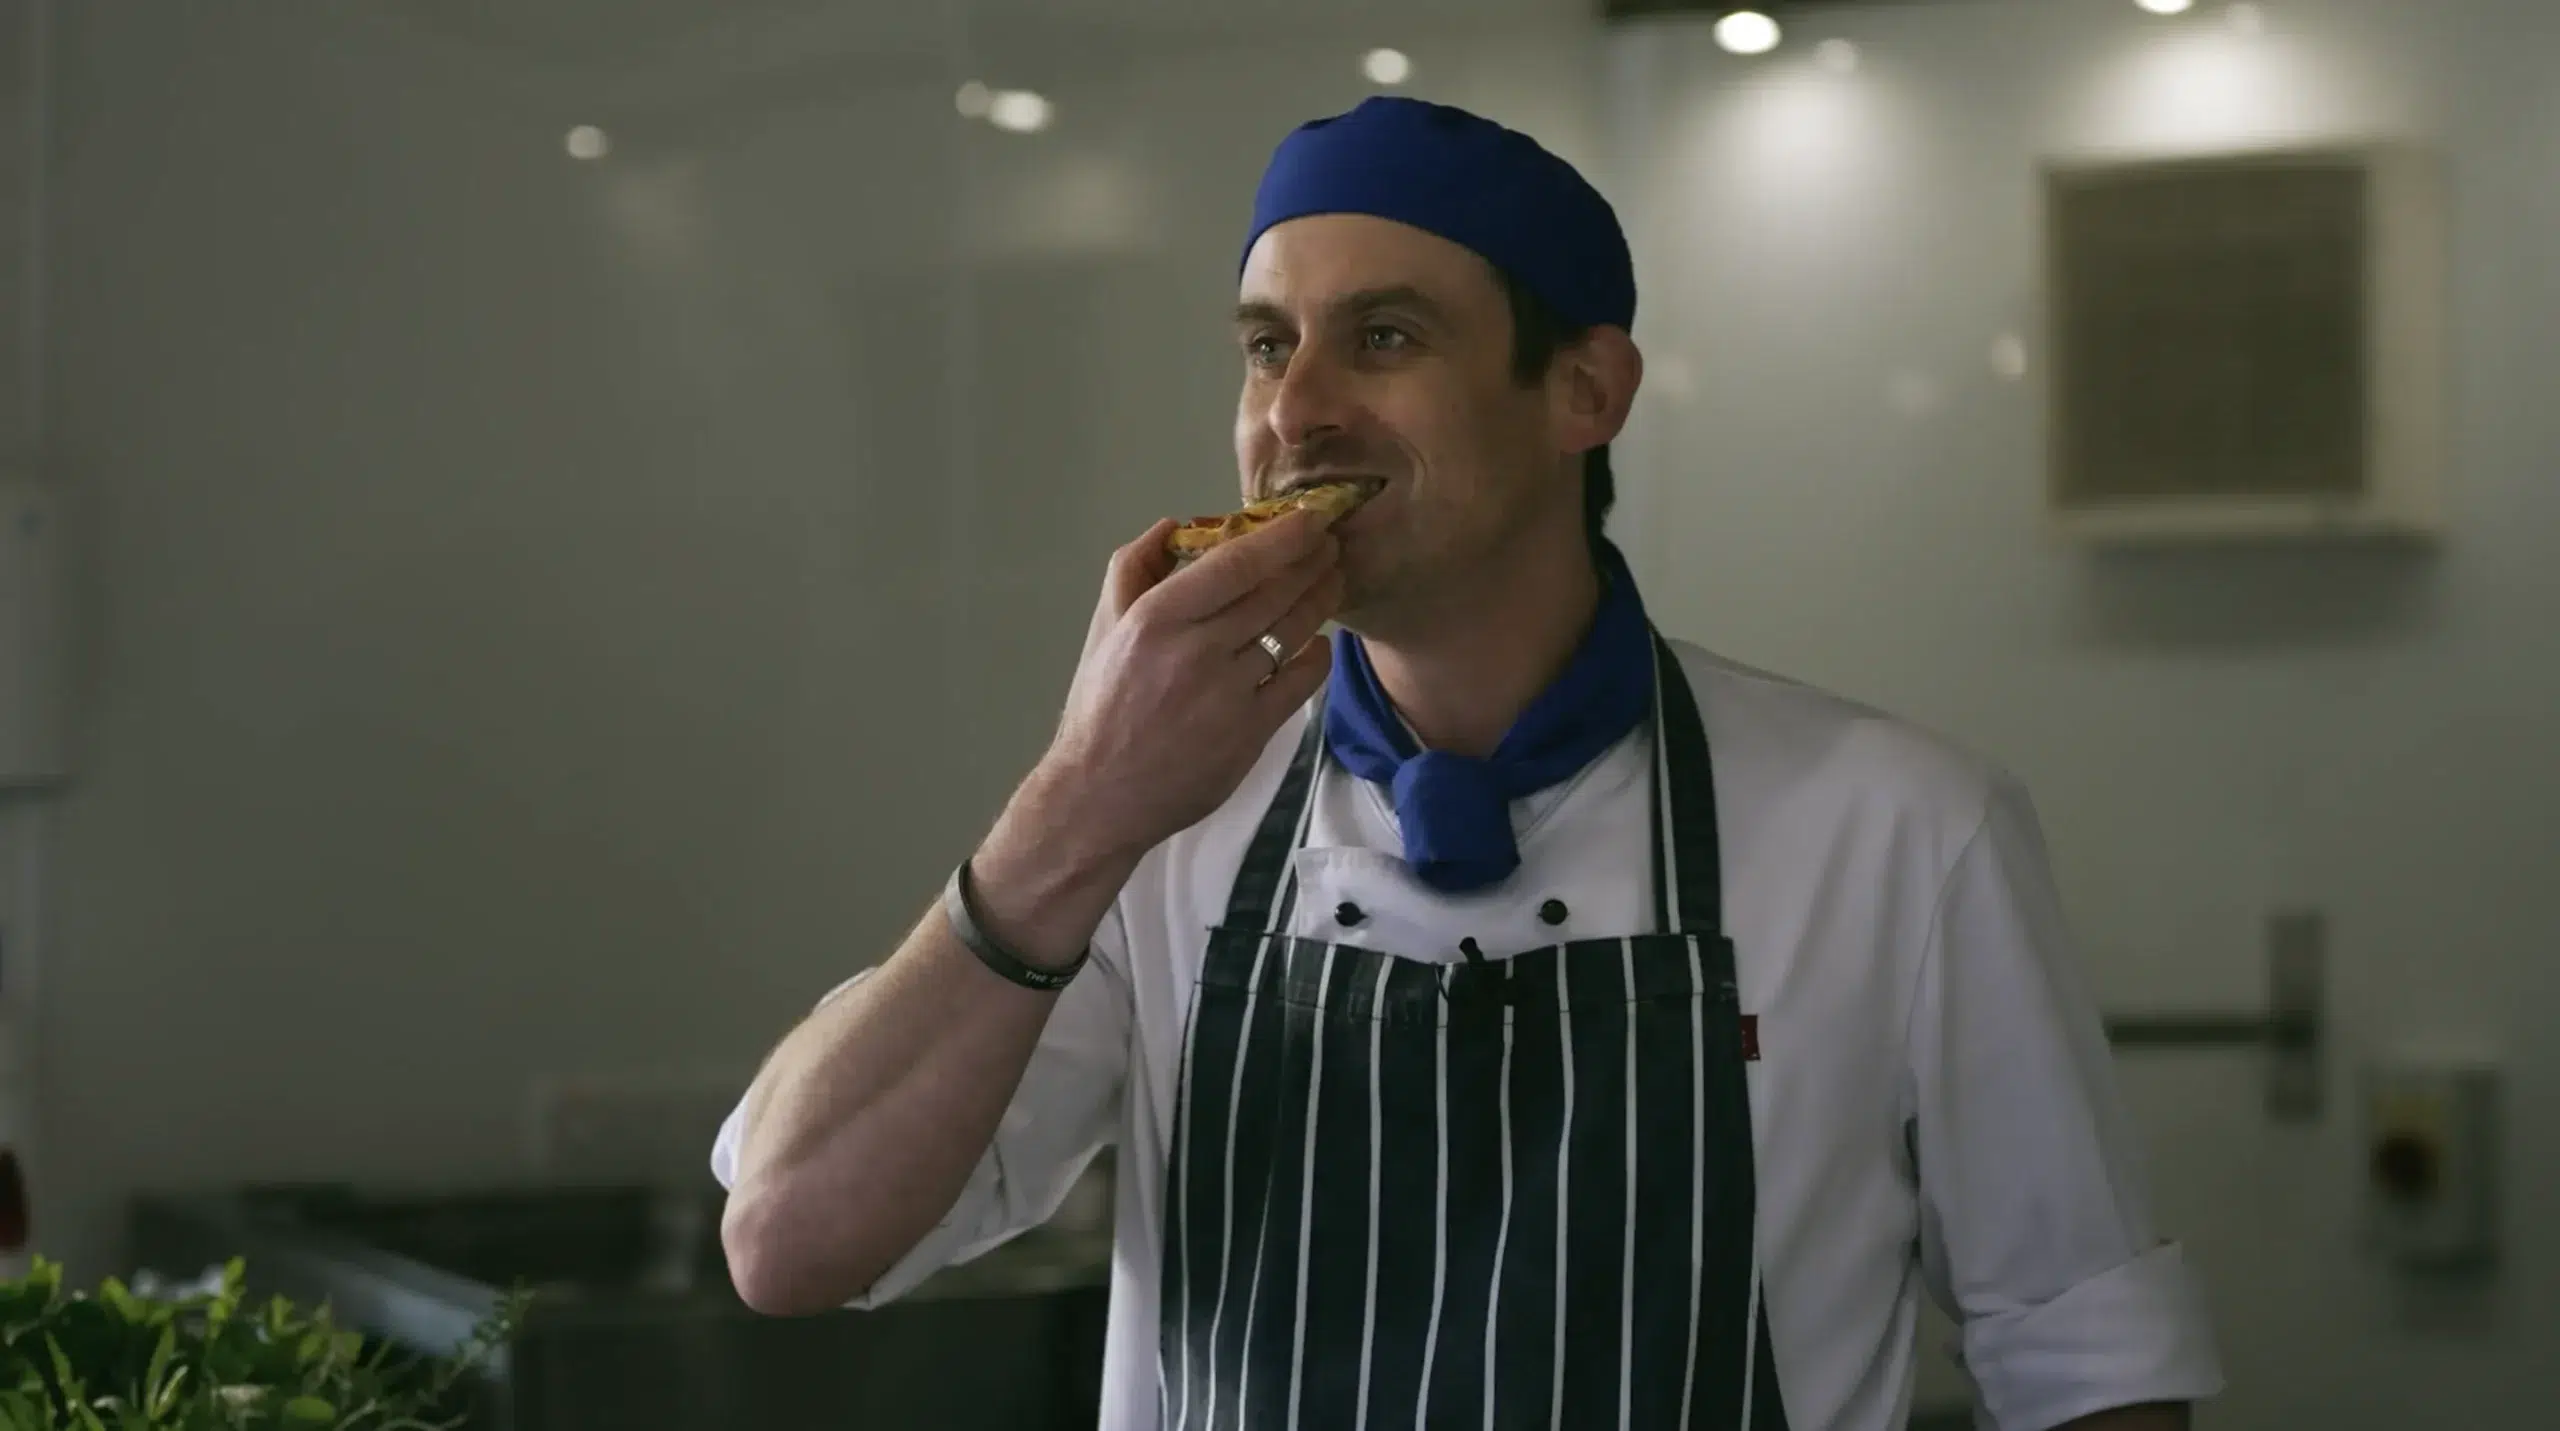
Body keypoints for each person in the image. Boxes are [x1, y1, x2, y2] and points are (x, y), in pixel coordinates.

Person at [711, 96, 2225, 1431]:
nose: (1295, 411)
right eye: (1264, 347)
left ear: (1585, 392)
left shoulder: (1901, 828)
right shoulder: (1158, 826)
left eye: (1384, 336)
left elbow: (2084, 1366)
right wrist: (1078, 804)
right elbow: (789, 1242)